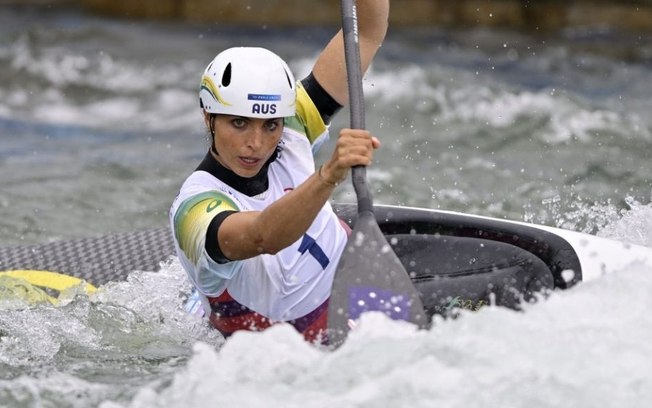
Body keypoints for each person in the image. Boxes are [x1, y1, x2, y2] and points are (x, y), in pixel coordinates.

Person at [169, 0, 389, 344]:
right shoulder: (194, 209)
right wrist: (328, 174)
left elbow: (367, 34)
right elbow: (261, 237)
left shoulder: (293, 123)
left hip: (355, 285)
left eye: (270, 125)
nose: (256, 143)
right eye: (239, 123)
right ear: (208, 117)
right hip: (277, 349)